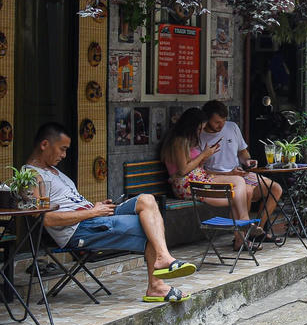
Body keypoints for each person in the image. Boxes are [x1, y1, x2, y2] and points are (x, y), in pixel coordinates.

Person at [26, 122, 197, 302]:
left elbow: (70, 203)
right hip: (78, 229)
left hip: (92, 216)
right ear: (44, 145)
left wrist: (93, 207)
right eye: (62, 149)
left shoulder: (54, 171)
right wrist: (92, 213)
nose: (64, 155)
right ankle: (157, 286)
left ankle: (163, 257)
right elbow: (46, 220)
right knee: (149, 228)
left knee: (147, 200)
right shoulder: (31, 177)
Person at [162, 107, 256, 231]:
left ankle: (244, 225)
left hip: (200, 178)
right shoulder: (178, 142)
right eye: (199, 128)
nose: (200, 132)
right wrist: (203, 155)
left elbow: (194, 166)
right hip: (187, 184)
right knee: (238, 197)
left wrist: (203, 159)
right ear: (191, 126)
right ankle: (243, 230)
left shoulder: (188, 141)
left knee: (241, 183)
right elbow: (183, 170)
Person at [198, 100, 281, 224]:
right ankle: (241, 237)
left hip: (239, 174)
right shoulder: (199, 135)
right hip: (217, 178)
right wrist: (229, 174)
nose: (221, 126)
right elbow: (199, 169)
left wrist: (248, 161)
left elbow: (242, 152)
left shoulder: (232, 127)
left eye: (223, 121)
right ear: (206, 120)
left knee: (275, 189)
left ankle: (258, 229)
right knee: (247, 191)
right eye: (216, 122)